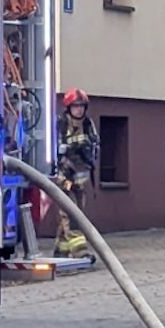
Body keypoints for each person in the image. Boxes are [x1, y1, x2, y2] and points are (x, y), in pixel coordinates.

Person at [55, 89, 99, 257]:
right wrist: (75, 145)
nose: (79, 109)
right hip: (64, 176)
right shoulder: (61, 124)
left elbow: (94, 145)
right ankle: (80, 251)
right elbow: (57, 149)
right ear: (69, 107)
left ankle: (61, 250)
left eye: (81, 106)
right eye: (75, 106)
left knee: (77, 211)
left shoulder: (88, 124)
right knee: (71, 212)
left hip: (80, 179)